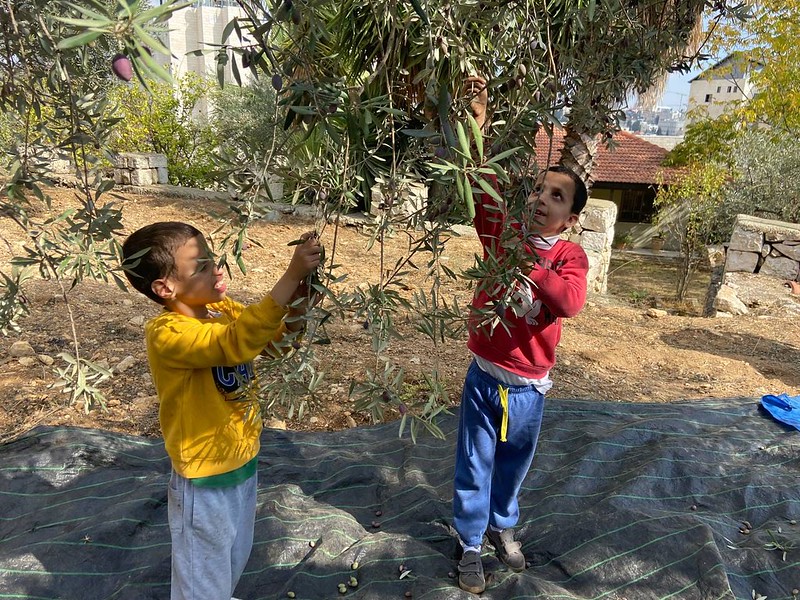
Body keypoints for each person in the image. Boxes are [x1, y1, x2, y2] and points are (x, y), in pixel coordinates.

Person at [121, 221, 322, 600]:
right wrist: (290, 274)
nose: (218, 269)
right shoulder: (167, 333)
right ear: (166, 287)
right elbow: (237, 342)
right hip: (204, 481)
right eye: (201, 266)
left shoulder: (221, 309)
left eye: (214, 258)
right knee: (202, 579)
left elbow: (273, 345)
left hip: (242, 465)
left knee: (232, 560)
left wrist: (300, 302)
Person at [453, 77, 590, 594]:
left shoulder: (567, 257)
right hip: (484, 376)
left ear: (571, 218)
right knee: (474, 458)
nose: (541, 198)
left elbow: (570, 302)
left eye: (556, 196)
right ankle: (469, 543)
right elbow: (482, 189)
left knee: (513, 463)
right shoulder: (503, 235)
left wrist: (531, 264)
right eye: (538, 188)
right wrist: (478, 121)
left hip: (529, 388)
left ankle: (502, 524)